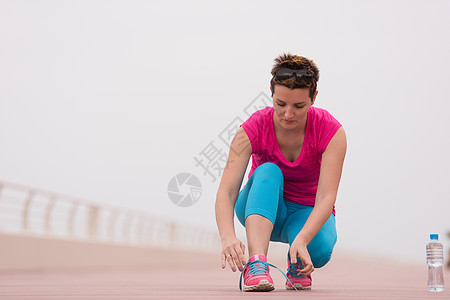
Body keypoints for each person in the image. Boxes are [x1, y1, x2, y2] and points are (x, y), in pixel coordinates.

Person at [215, 53, 347, 292]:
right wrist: (228, 237)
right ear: (271, 93)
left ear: (313, 98)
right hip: (260, 205)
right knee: (268, 171)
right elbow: (227, 191)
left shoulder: (331, 132)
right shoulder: (252, 128)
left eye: (299, 106)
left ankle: (295, 261)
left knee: (320, 250)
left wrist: (304, 238)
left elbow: (327, 197)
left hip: (305, 211)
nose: (288, 114)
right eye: (280, 104)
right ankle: (257, 265)